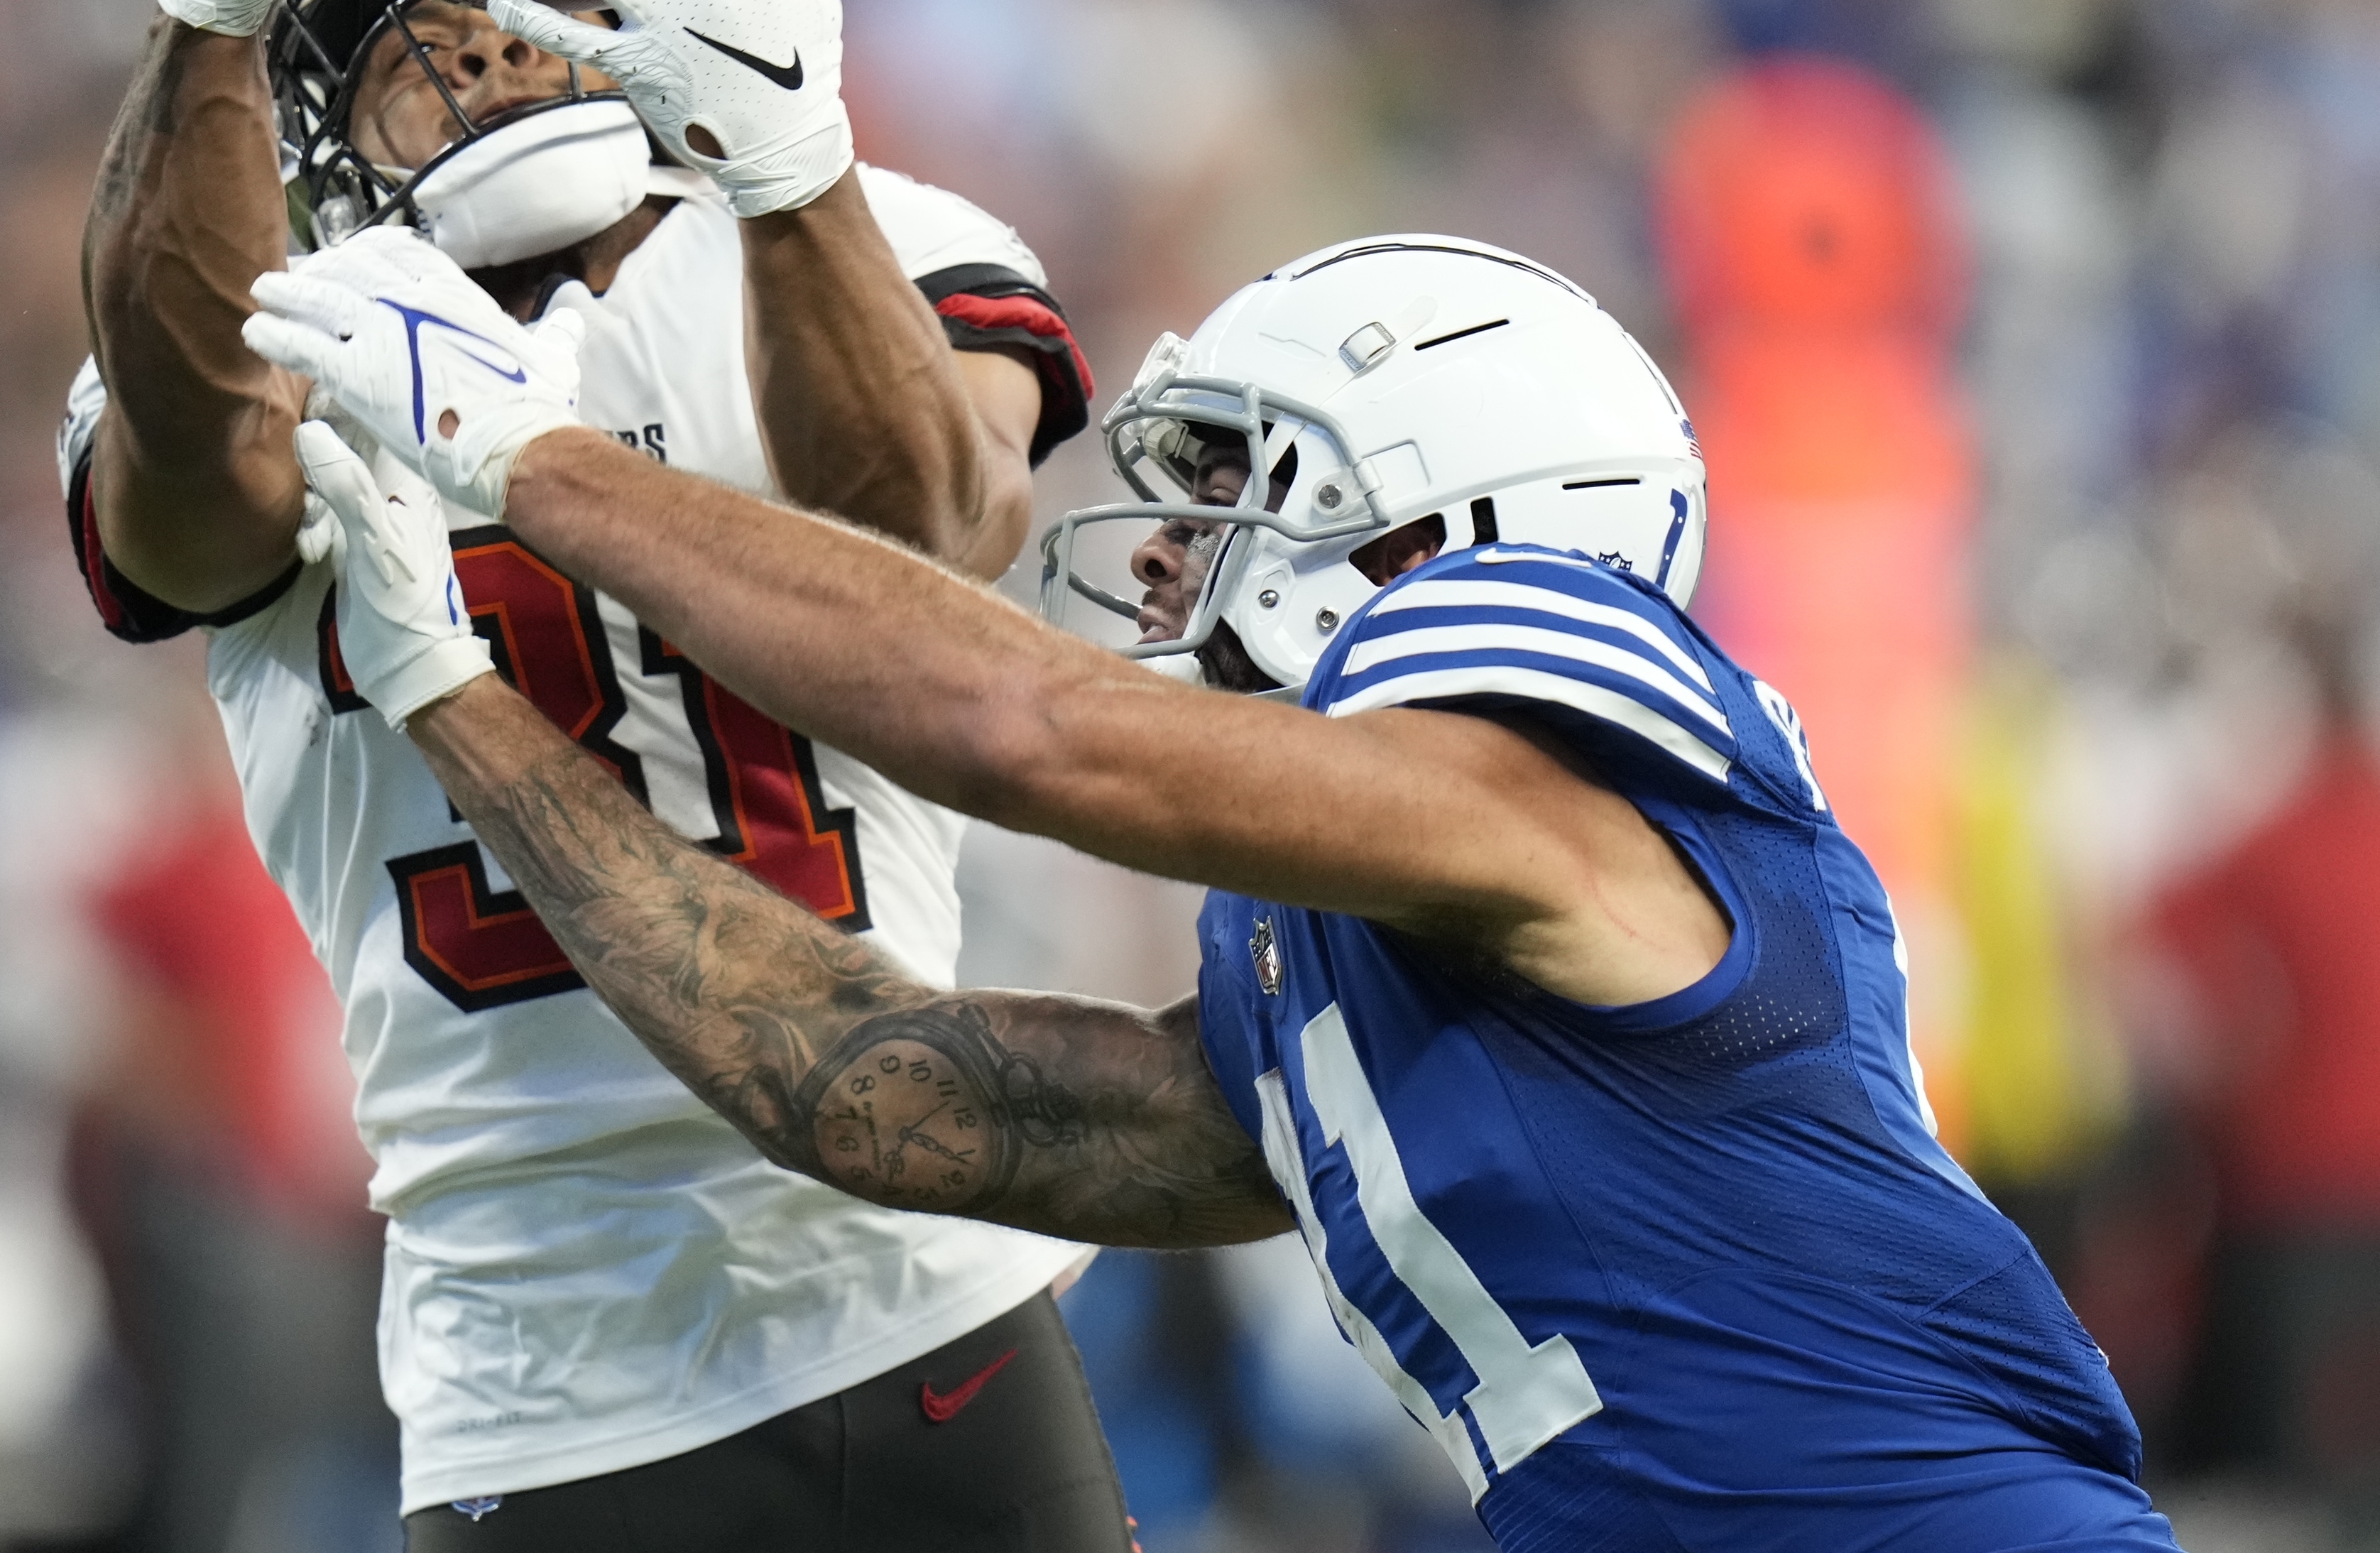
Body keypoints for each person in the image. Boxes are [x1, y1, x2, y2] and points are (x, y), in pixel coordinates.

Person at [249, 153, 2187, 1545]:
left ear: (1445, 522)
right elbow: (852, 1087)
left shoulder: (1578, 750)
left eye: (1236, 479)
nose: (1163, 546)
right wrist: (447, 686)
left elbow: (1027, 728)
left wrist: (535, 459)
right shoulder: (1331, 960)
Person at [70, 0, 1120, 1547]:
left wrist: (791, 173)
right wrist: (197, 4)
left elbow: (937, 521)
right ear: (297, 84)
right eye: (402, 11)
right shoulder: (246, 333)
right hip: (537, 1370)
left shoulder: (854, 245)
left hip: (915, 1290)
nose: (473, 39)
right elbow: (195, 496)